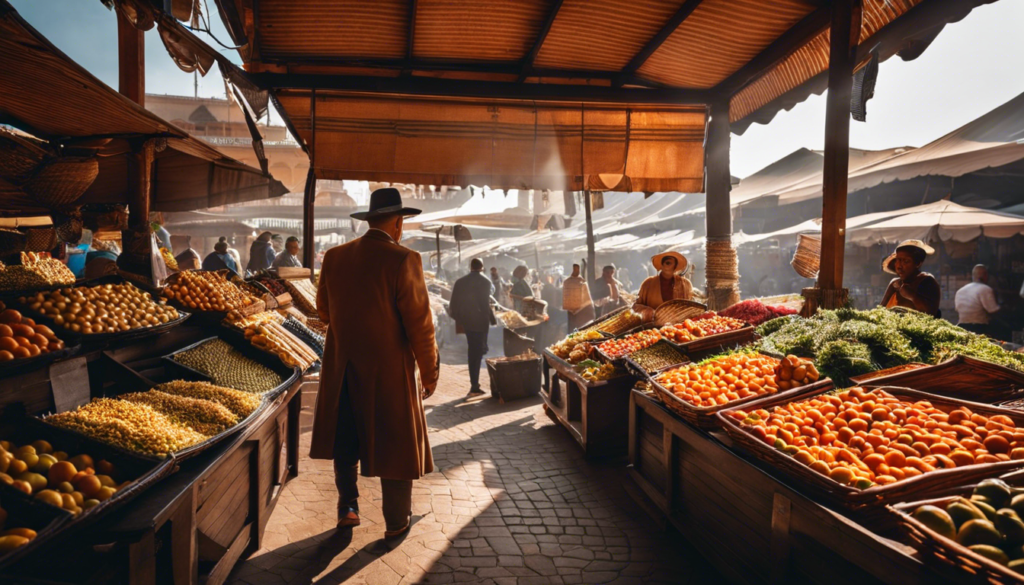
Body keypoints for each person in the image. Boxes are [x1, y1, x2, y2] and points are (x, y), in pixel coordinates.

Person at [313, 187, 439, 539]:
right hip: (389, 371)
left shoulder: (335, 258)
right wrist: (429, 374)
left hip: (343, 366)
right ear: (398, 223)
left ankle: (348, 507)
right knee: (396, 444)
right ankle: (396, 522)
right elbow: (420, 326)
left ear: (370, 220)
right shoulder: (404, 259)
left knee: (345, 439)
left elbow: (323, 311)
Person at [449, 258, 497, 397]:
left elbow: (453, 306)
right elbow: (485, 305)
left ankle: (474, 385)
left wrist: (461, 319)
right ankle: (474, 386)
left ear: (470, 267)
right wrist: (492, 319)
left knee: (473, 351)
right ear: (482, 267)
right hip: (481, 323)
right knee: (477, 352)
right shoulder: (486, 282)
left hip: (468, 323)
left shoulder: (460, 282)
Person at [879, 240, 941, 317]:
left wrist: (911, 296)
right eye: (898, 260)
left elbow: (931, 313)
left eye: (906, 261)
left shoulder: (927, 281)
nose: (899, 266)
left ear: (918, 263)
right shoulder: (895, 284)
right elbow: (880, 310)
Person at [633, 251, 693, 319]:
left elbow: (690, 307)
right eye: (665, 262)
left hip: (678, 326)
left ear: (675, 266)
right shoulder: (648, 283)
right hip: (651, 327)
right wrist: (649, 311)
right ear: (661, 265)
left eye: (669, 262)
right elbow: (635, 306)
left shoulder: (685, 284)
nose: (666, 264)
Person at [955, 264, 1000, 335]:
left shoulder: (960, 291)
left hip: (961, 328)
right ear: (986, 275)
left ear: (973, 276)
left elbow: (957, 309)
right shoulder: (985, 289)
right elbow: (993, 310)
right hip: (979, 328)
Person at [562, 263, 595, 331]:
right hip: (571, 311)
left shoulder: (583, 283)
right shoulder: (567, 282)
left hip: (584, 310)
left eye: (577, 269)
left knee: (584, 328)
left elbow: (587, 299)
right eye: (575, 268)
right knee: (572, 331)